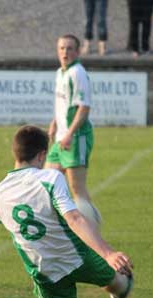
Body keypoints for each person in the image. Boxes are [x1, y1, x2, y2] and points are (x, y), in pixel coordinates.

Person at [0, 125, 133, 298]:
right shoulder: (51, 178)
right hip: (76, 255)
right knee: (119, 281)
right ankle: (120, 288)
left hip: (44, 270)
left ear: (15, 152)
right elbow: (74, 217)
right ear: (42, 155)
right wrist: (107, 251)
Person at [46, 34, 101, 228]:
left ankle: (92, 232)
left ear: (77, 52)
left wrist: (69, 133)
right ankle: (60, 230)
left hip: (76, 137)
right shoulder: (60, 72)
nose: (65, 52)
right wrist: (54, 123)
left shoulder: (77, 72)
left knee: (77, 189)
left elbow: (83, 108)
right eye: (62, 48)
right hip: (62, 137)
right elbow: (63, 104)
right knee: (48, 184)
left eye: (69, 48)